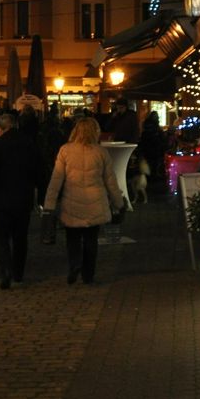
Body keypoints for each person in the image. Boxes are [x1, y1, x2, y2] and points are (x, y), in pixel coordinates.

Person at [43, 117, 125, 285]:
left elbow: (56, 179)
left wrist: (49, 204)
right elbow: (110, 180)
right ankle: (88, 274)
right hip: (95, 201)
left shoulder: (65, 150)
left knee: (72, 238)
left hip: (71, 201)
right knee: (91, 240)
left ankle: (74, 264)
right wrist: (118, 202)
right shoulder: (101, 152)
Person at [0, 113, 46, 289]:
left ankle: (6, 270)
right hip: (23, 198)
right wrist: (40, 195)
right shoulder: (29, 144)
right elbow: (40, 170)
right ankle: (18, 272)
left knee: (1, 237)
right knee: (20, 238)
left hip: (2, 200)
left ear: (4, 128)